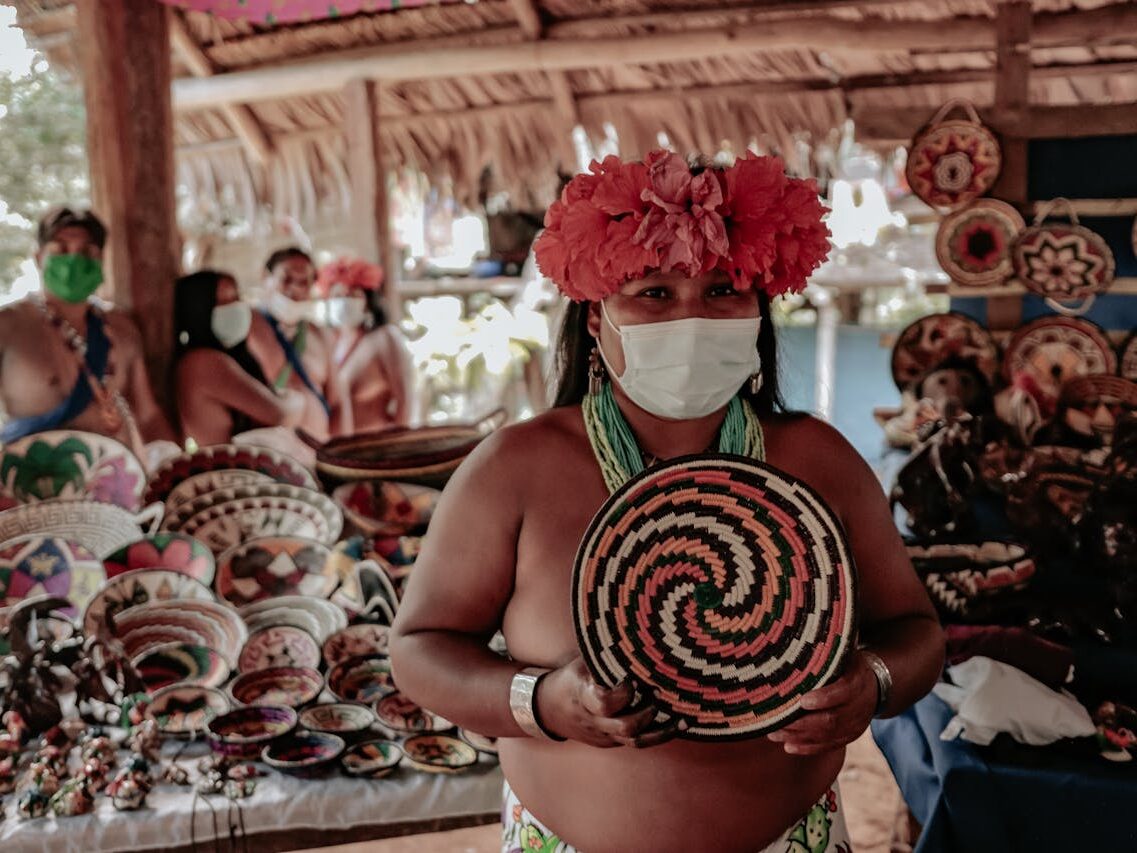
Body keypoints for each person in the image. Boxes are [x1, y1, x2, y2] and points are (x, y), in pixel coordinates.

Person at [390, 151, 944, 853]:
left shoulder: (818, 460)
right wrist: (545, 702)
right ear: (596, 319)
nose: (691, 317)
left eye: (722, 290)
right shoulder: (515, 468)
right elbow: (418, 649)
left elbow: (916, 632)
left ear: (759, 311)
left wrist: (873, 683)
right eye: (653, 292)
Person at [0, 207, 175, 456]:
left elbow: (148, 415)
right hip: (33, 475)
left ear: (101, 259)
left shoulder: (122, 329)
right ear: (39, 258)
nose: (74, 259)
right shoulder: (8, 326)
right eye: (60, 250)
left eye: (86, 251)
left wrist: (172, 462)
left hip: (116, 473)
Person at [173, 270, 306, 446]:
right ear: (198, 311)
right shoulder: (202, 362)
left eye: (236, 298)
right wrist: (296, 399)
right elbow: (280, 414)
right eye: (223, 302)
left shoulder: (229, 356)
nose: (235, 307)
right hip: (227, 462)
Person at [246, 247, 344, 440]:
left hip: (317, 448)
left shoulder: (321, 335)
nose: (296, 288)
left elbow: (338, 403)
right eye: (287, 279)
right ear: (266, 277)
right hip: (267, 450)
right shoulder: (248, 326)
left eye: (304, 282)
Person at [315, 257, 413, 432]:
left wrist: (400, 443)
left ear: (368, 301)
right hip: (337, 445)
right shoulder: (328, 343)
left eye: (353, 295)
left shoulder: (384, 338)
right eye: (338, 296)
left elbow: (405, 400)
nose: (344, 302)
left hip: (376, 442)